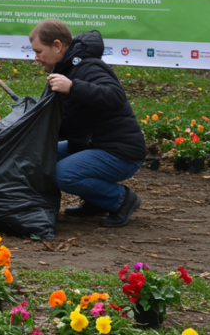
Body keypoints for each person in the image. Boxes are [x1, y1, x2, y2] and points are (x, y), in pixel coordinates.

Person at [29, 18, 146, 227]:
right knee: (42, 157)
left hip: (120, 152)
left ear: (57, 46)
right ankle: (97, 202)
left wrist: (73, 87)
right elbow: (70, 120)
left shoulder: (88, 67)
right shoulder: (65, 69)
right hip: (92, 144)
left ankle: (121, 199)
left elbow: (115, 96)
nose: (35, 58)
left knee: (63, 174)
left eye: (39, 51)